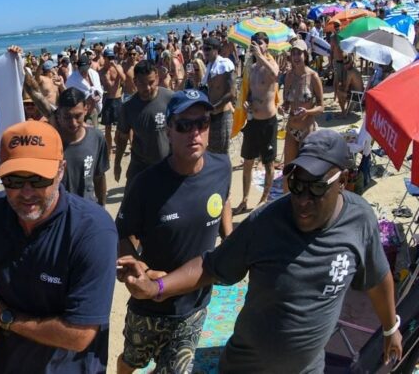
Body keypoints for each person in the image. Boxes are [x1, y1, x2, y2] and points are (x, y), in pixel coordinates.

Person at [121, 130, 403, 372]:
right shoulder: (266, 222)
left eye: (316, 187)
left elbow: (378, 279)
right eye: (296, 184)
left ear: (343, 181)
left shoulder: (360, 220)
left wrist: (390, 330)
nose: (302, 200)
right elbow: (210, 266)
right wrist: (157, 287)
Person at [0, 121, 117, 372]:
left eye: (38, 178)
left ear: (61, 171)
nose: (26, 191)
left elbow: (79, 335)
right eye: (13, 179)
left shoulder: (93, 231)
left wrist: (4, 317)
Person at [114, 89, 232, 374]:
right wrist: (136, 266)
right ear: (169, 130)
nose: (195, 133)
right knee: (132, 361)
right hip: (149, 302)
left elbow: (224, 199)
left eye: (202, 123)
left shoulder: (222, 168)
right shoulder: (146, 185)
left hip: (194, 303)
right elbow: (121, 235)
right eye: (184, 125)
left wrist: (229, 238)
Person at [24, 67, 108, 206]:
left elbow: (99, 177)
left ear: (86, 109)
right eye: (67, 117)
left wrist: (102, 207)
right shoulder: (54, 128)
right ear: (58, 114)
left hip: (87, 208)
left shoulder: (97, 138)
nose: (73, 123)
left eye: (78, 116)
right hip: (57, 209)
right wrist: (19, 65)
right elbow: (34, 92)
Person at [234, 32, 279, 213]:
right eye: (254, 43)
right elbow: (250, 93)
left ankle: (264, 198)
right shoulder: (250, 68)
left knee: (269, 164)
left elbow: (276, 75)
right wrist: (246, 102)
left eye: (260, 43)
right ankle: (244, 199)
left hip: (268, 121)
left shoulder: (270, 63)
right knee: (247, 162)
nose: (256, 46)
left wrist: (261, 56)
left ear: (266, 45)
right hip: (253, 122)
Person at [114, 60, 174, 192]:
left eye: (151, 82)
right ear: (135, 81)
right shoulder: (128, 107)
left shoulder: (170, 99)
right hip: (140, 165)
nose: (147, 88)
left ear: (157, 78)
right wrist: (117, 162)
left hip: (167, 164)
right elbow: (123, 138)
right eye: (142, 83)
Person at [281, 38, 325, 187]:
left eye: (299, 53)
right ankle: (286, 202)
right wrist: (284, 107)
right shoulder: (288, 76)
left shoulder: (313, 77)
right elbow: (286, 101)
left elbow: (321, 107)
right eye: (293, 53)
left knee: (306, 171)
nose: (296, 57)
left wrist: (308, 111)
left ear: (305, 55)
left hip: (308, 130)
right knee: (288, 170)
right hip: (291, 129)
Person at [203, 37, 235, 156]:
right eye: (203, 48)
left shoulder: (225, 64)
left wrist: (215, 106)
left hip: (222, 114)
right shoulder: (210, 66)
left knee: (222, 152)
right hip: (212, 114)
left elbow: (232, 93)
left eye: (208, 49)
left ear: (216, 50)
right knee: (211, 149)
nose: (205, 52)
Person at [98, 48, 125, 153]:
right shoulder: (100, 72)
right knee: (107, 128)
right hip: (107, 100)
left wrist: (115, 67)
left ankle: (117, 143)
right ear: (104, 58)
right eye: (109, 58)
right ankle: (108, 150)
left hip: (118, 99)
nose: (111, 60)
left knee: (120, 127)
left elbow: (124, 78)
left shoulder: (118, 67)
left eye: (112, 57)